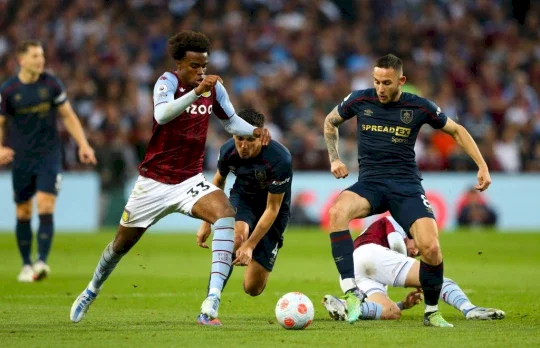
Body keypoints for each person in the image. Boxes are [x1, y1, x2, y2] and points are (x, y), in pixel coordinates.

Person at [70, 30, 270, 324]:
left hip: (189, 181)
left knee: (225, 212)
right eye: (194, 66)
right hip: (153, 183)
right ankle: (91, 290)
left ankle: (211, 302)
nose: (200, 71)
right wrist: (198, 91)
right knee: (120, 246)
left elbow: (230, 122)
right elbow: (163, 116)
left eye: (203, 65)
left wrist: (252, 131)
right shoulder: (167, 82)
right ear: (179, 64)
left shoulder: (214, 89)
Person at [323, 54, 492, 327]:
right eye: (376, 81)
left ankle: (432, 312)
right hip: (370, 183)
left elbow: (457, 130)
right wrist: (334, 158)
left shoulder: (418, 106)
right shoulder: (359, 99)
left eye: (386, 83)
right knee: (337, 212)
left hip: (405, 186)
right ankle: (351, 291)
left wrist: (482, 165)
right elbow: (330, 122)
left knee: (431, 248)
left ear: (401, 81)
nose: (380, 88)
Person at [0, 40, 97, 283]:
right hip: (21, 157)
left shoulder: (51, 84)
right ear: (22, 60)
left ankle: (41, 261)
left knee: (45, 205)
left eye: (42, 55)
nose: (40, 60)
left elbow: (67, 115)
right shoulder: (9, 90)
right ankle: (25, 265)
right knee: (23, 210)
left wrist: (83, 144)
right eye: (35, 56)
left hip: (49, 155)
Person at [196, 109, 292, 325]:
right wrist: (206, 222)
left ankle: (251, 253)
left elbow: (272, 208)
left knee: (253, 288)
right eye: (239, 139)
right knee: (236, 238)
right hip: (243, 200)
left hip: (273, 211)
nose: (244, 146)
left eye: (250, 140)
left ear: (261, 136)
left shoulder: (280, 159)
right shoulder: (228, 151)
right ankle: (211, 302)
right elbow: (218, 182)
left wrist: (250, 245)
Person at [322, 215, 505, 321]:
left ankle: (346, 306)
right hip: (370, 254)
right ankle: (469, 309)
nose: (416, 251)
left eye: (417, 252)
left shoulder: (386, 255)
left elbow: (390, 306)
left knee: (391, 311)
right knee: (434, 277)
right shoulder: (399, 221)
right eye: (417, 244)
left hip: (355, 269)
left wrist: (403, 304)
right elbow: (396, 244)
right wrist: (423, 279)